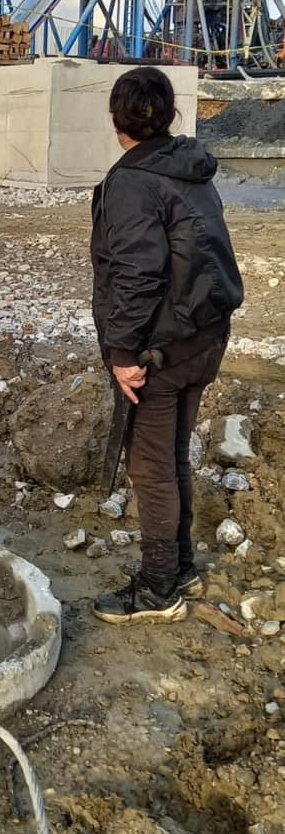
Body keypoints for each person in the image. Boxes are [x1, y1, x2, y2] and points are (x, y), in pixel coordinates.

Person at [90, 67, 243, 625]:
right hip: (203, 338)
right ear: (170, 114)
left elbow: (136, 274)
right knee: (173, 454)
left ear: (116, 119)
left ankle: (159, 589)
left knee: (151, 468)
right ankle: (180, 566)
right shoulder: (191, 171)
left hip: (159, 350)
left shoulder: (132, 181)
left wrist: (124, 356)